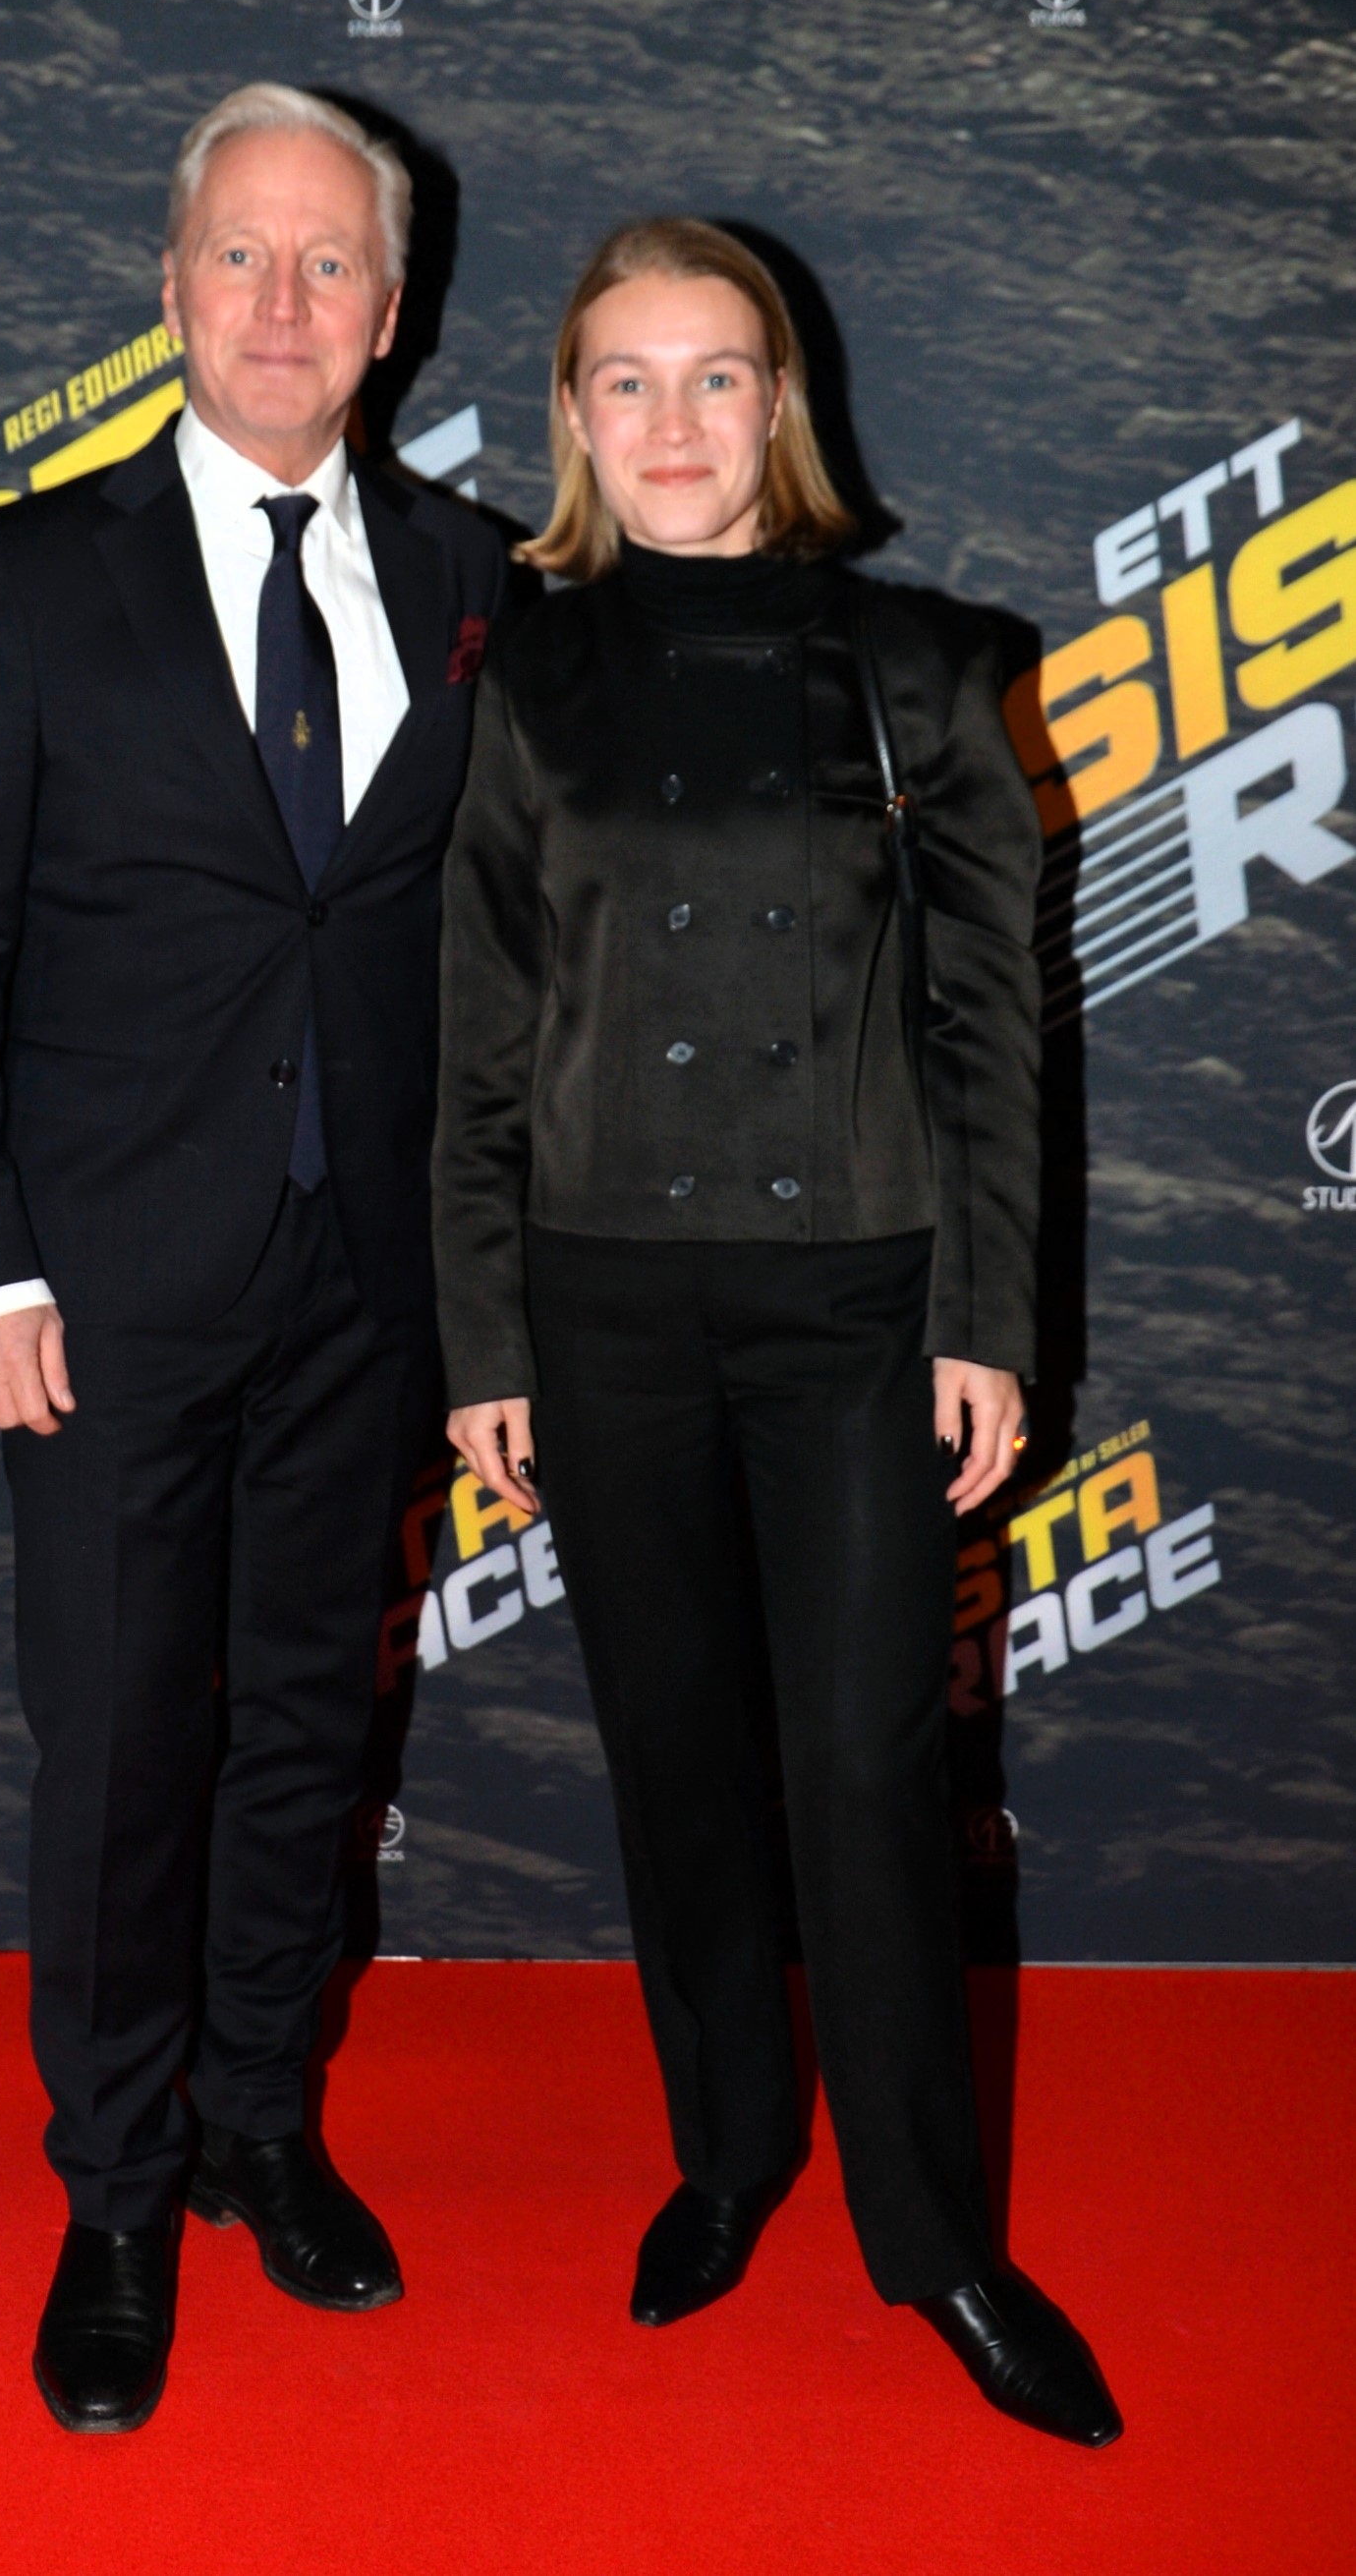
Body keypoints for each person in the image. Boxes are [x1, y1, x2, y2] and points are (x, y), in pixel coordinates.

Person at [433, 217, 1120, 2446]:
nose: (671, 424)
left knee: (866, 1772)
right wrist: (484, 1335)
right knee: (681, 1760)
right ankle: (728, 2150)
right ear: (572, 415)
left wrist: (985, 1315)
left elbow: (993, 1032)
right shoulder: (525, 678)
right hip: (606, 1305)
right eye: (624, 382)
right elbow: (481, 1035)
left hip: (854, 1302)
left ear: (781, 404)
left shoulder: (923, 668)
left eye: (713, 376)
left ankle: (937, 2243)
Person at [0, 84, 504, 2433]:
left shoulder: (472, 580)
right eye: (242, 252)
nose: (282, 300)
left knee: (303, 1735)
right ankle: (119, 2190)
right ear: (169, 285)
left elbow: (488, 956)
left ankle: (257, 2120)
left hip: (366, 1292)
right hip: (105, 1294)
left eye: (330, 262)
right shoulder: (37, 573)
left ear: (391, 313)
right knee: (129, 1748)